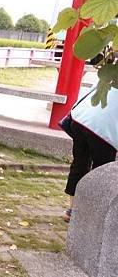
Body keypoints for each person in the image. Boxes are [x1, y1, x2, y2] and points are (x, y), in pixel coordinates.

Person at [60, 87, 117, 222]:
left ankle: (72, 210)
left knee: (79, 164)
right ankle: (93, 213)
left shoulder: (110, 73)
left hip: (81, 118)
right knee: (102, 172)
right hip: (103, 130)